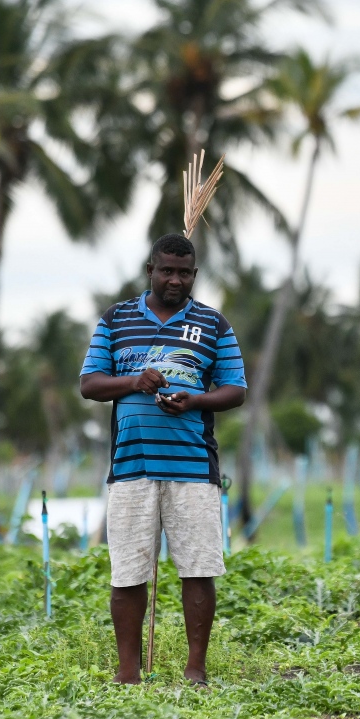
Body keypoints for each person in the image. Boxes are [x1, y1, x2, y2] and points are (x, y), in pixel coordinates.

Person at [79, 233, 247, 685]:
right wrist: (134, 382)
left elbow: (235, 390)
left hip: (192, 468)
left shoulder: (214, 325)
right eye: (166, 270)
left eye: (185, 272)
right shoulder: (115, 320)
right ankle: (128, 672)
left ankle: (196, 669)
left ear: (195, 275)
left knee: (199, 567)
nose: (175, 279)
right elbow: (90, 384)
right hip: (131, 466)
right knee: (129, 571)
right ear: (149, 271)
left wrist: (193, 401)